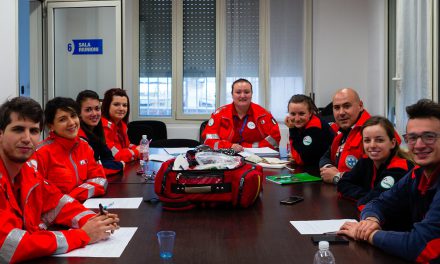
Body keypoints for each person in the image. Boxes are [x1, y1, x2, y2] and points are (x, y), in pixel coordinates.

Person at [0, 97, 119, 263]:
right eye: (18, 129)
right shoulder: (39, 156)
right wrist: (82, 235)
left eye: (34, 131)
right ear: (1, 133)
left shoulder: (27, 172)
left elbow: (59, 203)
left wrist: (94, 221)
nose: (27, 138)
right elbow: (9, 246)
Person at [338, 99, 440, 263]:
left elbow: (421, 246)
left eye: (429, 137)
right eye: (412, 138)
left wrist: (368, 234)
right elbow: (377, 202)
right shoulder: (417, 173)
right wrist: (371, 220)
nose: (419, 145)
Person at [34, 97, 108, 202]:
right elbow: (43, 197)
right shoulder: (41, 153)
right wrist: (72, 200)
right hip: (59, 216)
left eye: (73, 116)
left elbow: (100, 180)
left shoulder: (84, 146)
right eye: (62, 119)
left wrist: (75, 195)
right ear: (51, 126)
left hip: (87, 207)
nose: (71, 123)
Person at [337, 116, 413, 211]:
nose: (372, 145)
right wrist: (368, 195)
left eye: (379, 140)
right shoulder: (366, 160)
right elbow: (342, 184)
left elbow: (375, 201)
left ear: (392, 143)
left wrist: (367, 197)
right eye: (367, 140)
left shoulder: (399, 168)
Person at [202, 79, 281, 152]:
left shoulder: (263, 114)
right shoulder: (219, 114)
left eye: (246, 92)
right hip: (225, 156)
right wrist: (229, 146)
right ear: (232, 94)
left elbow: (275, 139)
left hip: (256, 158)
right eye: (238, 92)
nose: (243, 96)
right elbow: (208, 140)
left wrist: (248, 147)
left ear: (251, 94)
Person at [319, 88, 371, 184]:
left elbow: (370, 177)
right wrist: (329, 168)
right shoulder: (342, 133)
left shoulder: (373, 133)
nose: (341, 113)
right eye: (337, 108)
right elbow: (325, 157)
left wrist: (337, 177)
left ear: (360, 106)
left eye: (347, 106)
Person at [76, 90, 124, 175]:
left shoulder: (97, 130)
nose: (94, 113)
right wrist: (119, 165)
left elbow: (108, 157)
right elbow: (90, 170)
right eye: (88, 110)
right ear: (79, 113)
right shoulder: (79, 137)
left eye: (97, 109)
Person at [284, 94, 335, 167]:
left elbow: (302, 160)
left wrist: (292, 129)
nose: (297, 119)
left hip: (321, 171)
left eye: (301, 114)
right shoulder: (305, 124)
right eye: (293, 114)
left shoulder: (315, 127)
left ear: (310, 113)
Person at [101, 88, 139, 162]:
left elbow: (126, 146)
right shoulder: (104, 127)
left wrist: (138, 148)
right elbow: (114, 156)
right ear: (107, 106)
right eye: (116, 104)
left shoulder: (121, 124)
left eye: (124, 105)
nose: (121, 108)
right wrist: (137, 152)